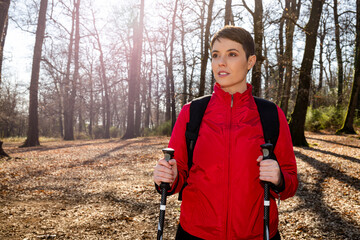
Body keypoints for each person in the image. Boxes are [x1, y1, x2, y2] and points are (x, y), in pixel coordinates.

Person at [153, 26, 298, 240]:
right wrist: (168, 176)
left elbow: (290, 182)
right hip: (195, 234)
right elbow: (178, 174)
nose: (221, 62)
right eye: (215, 55)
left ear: (250, 62)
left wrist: (279, 178)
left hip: (257, 234)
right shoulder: (192, 112)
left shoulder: (271, 115)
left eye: (232, 54)